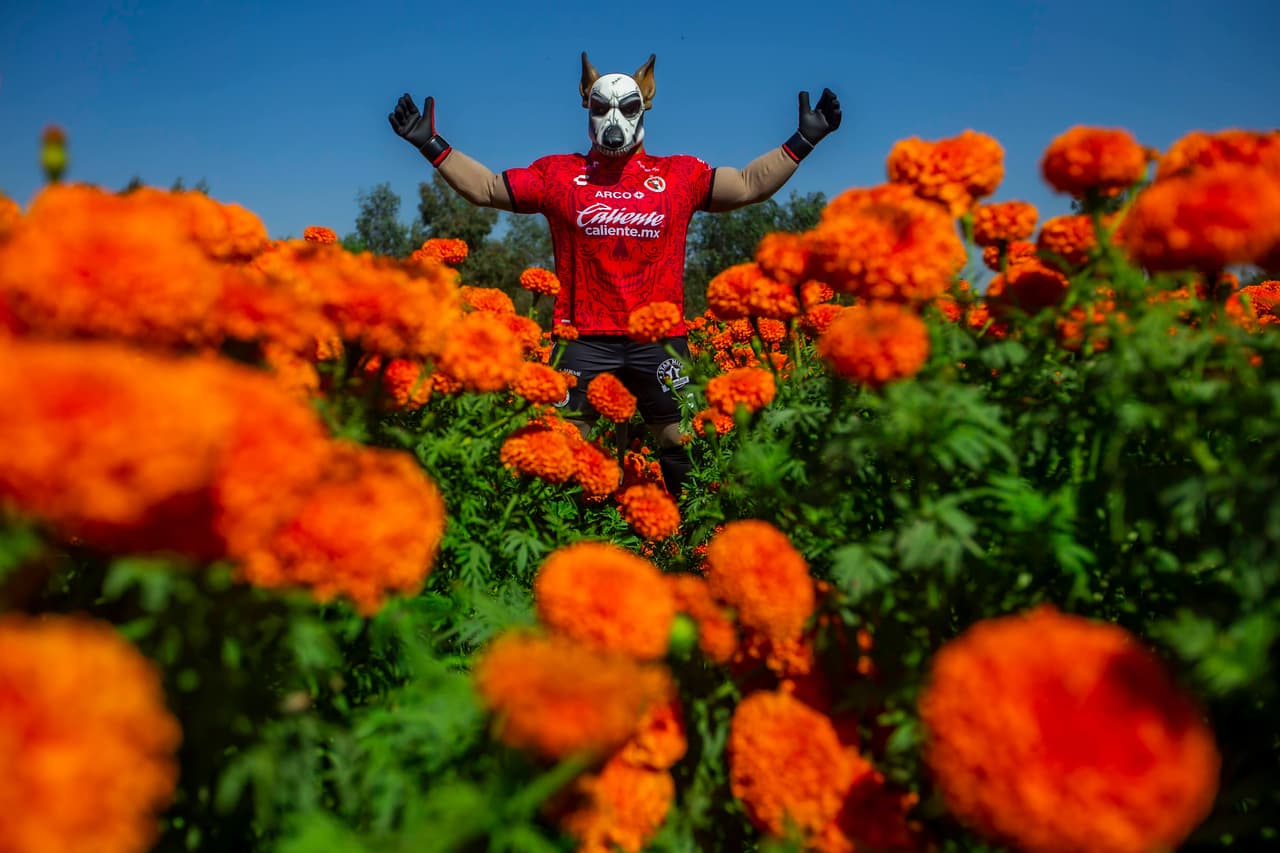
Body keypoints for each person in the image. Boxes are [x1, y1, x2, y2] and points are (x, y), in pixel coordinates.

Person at [390, 53, 840, 497]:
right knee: (560, 449)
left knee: (682, 443)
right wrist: (431, 144)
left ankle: (691, 535)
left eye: (626, 107)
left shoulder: (679, 175)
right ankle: (560, 536)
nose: (613, 119)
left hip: (660, 341)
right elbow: (488, 188)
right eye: (601, 106)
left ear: (646, 104)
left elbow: (746, 185)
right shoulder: (558, 174)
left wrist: (804, 138)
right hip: (582, 339)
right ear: (586, 104)